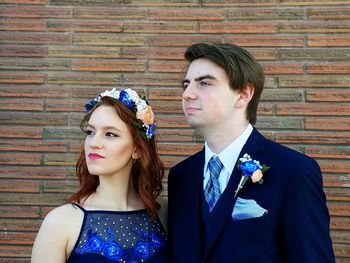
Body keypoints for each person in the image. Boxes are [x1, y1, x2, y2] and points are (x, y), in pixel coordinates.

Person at [168, 43, 335, 262]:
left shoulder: (293, 172)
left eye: (205, 83)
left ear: (243, 94)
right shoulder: (181, 176)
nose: (187, 94)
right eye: (186, 84)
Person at [31, 87, 168, 263]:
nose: (94, 143)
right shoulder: (60, 222)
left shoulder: (162, 213)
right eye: (90, 132)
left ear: (137, 148)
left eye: (110, 134)